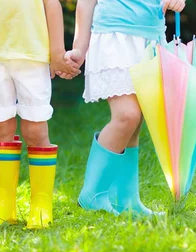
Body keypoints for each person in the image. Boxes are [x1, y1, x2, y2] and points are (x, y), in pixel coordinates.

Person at [0, 0, 81, 229]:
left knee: (35, 129)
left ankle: (41, 206)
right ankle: (3, 205)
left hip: (33, 55)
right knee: (0, 128)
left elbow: (52, 5)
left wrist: (57, 51)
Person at [64, 0, 186, 215]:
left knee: (136, 122)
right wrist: (79, 49)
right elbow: (85, 3)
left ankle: (127, 201)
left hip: (151, 38)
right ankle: (92, 194)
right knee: (127, 116)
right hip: (114, 38)